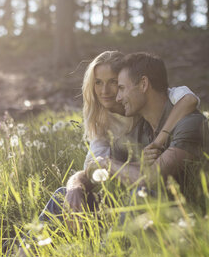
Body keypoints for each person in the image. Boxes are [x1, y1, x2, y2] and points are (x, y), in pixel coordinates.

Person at [39, 51, 200, 223]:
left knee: (140, 194)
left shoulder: (170, 107)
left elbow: (189, 99)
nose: (106, 92)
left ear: (140, 83)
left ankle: (109, 246)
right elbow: (92, 170)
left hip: (174, 207)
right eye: (98, 83)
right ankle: (22, 250)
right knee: (62, 195)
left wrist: (159, 140)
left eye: (117, 84)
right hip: (133, 193)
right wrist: (74, 189)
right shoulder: (111, 127)